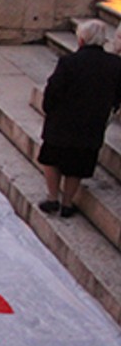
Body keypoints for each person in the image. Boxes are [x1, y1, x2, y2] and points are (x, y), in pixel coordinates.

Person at [37, 19, 121, 218]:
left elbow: (54, 89)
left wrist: (48, 109)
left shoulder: (69, 62)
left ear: (81, 40)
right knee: (78, 164)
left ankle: (52, 198)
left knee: (52, 159)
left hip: (62, 122)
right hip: (92, 124)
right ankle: (67, 203)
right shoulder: (116, 65)